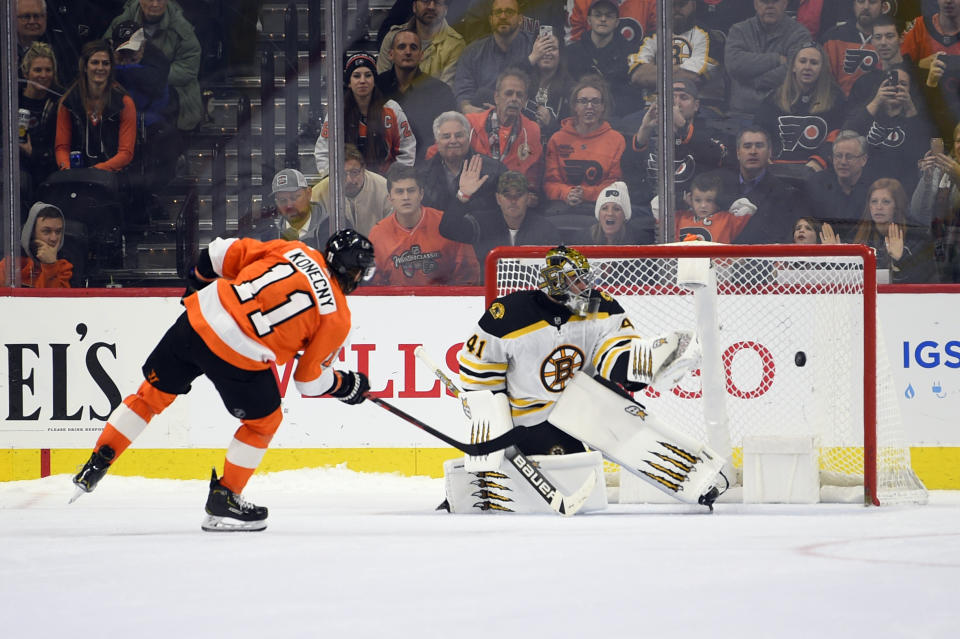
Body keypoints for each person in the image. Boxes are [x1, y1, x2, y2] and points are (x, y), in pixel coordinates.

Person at [72, 230, 377, 531]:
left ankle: (98, 460)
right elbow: (309, 382)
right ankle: (225, 497)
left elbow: (218, 253)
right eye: (360, 271)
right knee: (264, 422)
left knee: (150, 395)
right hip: (239, 353)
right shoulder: (337, 316)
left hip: (200, 317)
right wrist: (345, 384)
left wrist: (197, 281)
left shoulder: (295, 250)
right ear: (354, 270)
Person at [368, 164, 480, 286]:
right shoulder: (378, 233)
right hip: (398, 302)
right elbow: (375, 284)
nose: (406, 197)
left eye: (411, 191)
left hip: (443, 301)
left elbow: (468, 274)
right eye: (399, 192)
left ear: (421, 194)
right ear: (390, 197)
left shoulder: (448, 223)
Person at [104, 0, 203, 134]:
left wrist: (151, 75)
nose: (155, 4)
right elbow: (104, 56)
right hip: (127, 92)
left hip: (173, 94)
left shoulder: (182, 28)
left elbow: (188, 69)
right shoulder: (120, 24)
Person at [314, 53, 416, 178]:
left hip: (385, 184)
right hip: (347, 183)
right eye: (356, 76)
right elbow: (323, 151)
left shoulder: (392, 109)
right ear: (349, 82)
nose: (362, 80)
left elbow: (407, 148)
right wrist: (333, 178)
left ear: (374, 80)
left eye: (368, 75)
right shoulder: (337, 112)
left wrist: (397, 179)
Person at [630, 78, 728, 207]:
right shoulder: (651, 135)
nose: (676, 103)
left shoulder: (710, 133)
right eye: (671, 98)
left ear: (696, 105)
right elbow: (630, 173)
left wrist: (682, 126)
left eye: (684, 97)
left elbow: (718, 156)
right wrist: (644, 129)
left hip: (693, 210)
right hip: (650, 210)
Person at [438, 168, 562, 270]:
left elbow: (558, 268)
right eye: (507, 195)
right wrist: (463, 195)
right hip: (489, 294)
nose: (513, 200)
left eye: (518, 194)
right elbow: (448, 228)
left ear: (528, 198)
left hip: (533, 293)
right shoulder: (481, 223)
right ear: (498, 198)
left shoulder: (545, 229)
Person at [756, 43, 846, 173]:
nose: (807, 67)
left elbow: (838, 135)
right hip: (776, 169)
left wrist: (820, 161)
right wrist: (764, 158)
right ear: (793, 66)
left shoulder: (835, 100)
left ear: (822, 69)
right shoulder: (773, 99)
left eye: (814, 63)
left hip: (816, 171)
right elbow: (759, 132)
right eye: (802, 61)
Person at [543, 76, 625, 217]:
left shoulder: (616, 140)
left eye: (595, 102)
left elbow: (615, 184)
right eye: (583, 101)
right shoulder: (557, 139)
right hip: (563, 207)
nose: (589, 107)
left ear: (603, 106)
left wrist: (586, 194)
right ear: (575, 106)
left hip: (602, 208)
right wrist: (566, 193)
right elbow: (550, 183)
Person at [843, 67, 933, 193]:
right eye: (892, 83)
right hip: (865, 187)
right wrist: (877, 100)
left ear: (910, 90)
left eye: (903, 84)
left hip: (903, 188)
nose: (896, 88)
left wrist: (909, 107)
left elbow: (922, 150)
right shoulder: (868, 112)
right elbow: (846, 135)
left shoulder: (916, 117)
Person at [376, 28, 457, 164]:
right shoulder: (376, 87)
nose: (408, 52)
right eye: (402, 47)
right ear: (391, 54)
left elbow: (447, 133)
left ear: (421, 55)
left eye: (413, 48)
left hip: (427, 166)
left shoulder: (440, 91)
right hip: (382, 165)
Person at [55, 40, 136, 173]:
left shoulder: (124, 102)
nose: (100, 68)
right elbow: (62, 148)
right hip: (75, 174)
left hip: (113, 175)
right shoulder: (68, 102)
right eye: (94, 62)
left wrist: (95, 171)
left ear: (111, 68)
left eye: (105, 63)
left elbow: (126, 153)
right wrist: (67, 169)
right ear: (85, 67)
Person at [719, 125, 806, 244]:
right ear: (738, 153)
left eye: (759, 146)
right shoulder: (720, 190)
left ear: (769, 152)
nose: (753, 151)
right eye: (747, 146)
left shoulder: (787, 194)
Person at [464, 68, 544, 196]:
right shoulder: (469, 124)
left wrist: (530, 194)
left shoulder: (532, 130)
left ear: (524, 101)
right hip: (476, 197)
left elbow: (533, 173)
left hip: (512, 199)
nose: (514, 99)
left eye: (519, 95)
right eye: (508, 93)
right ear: (496, 97)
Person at [454, 0, 542, 113]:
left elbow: (543, 87)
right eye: (498, 12)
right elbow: (463, 92)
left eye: (509, 12)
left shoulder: (533, 48)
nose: (503, 16)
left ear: (520, 19)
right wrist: (467, 108)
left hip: (522, 117)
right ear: (490, 19)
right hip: (481, 119)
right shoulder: (472, 52)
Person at [724, 0, 812, 113]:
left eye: (775, 1)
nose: (770, 6)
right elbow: (734, 64)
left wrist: (756, 81)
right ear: (755, 4)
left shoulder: (800, 35)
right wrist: (776, 59)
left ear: (785, 3)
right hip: (741, 113)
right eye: (765, 1)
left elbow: (794, 71)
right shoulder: (739, 30)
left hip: (782, 114)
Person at [627, 0, 720, 106]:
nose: (676, 9)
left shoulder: (707, 36)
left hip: (697, 109)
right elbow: (638, 76)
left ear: (693, 5)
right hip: (652, 106)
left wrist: (652, 71)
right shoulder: (651, 36)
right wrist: (679, 70)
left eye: (682, 4)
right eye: (671, 5)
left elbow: (694, 78)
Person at [851, 177, 938, 282]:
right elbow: (849, 278)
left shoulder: (917, 238)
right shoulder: (859, 236)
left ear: (897, 206)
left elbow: (920, 284)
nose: (879, 207)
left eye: (886, 202)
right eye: (874, 201)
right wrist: (834, 259)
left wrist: (899, 260)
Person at [566, 0, 641, 121]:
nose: (603, 19)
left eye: (609, 15)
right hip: (580, 119)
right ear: (589, 20)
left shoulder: (631, 53)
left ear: (617, 22)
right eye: (598, 15)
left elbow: (632, 97)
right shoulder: (572, 52)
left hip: (618, 120)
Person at [418, 111, 505, 215]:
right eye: (446, 136)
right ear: (437, 141)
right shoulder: (421, 174)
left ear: (468, 138)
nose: (453, 140)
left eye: (459, 135)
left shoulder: (495, 170)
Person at [801, 130, 876, 240]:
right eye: (838, 156)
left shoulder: (875, 188)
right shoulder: (817, 183)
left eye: (849, 157)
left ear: (863, 160)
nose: (843, 162)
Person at [910, 122, 960, 282]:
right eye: (959, 141)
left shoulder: (952, 170)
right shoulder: (944, 169)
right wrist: (928, 177)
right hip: (939, 256)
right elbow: (918, 213)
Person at [376, 0, 466, 86]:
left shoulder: (455, 44)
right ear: (414, 6)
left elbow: (443, 93)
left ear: (445, 10)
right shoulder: (392, 37)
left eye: (437, 2)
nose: (431, 7)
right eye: (425, 1)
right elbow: (382, 85)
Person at [311, 144, 392, 237]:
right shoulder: (318, 194)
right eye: (342, 174)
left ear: (364, 169)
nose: (349, 180)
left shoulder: (384, 189)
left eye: (354, 172)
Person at [19, 41, 62, 195]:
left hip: (48, 170)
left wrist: (33, 152)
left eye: (48, 70)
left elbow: (61, 148)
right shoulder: (12, 99)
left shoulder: (59, 103)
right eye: (37, 70)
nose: (43, 75)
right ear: (26, 73)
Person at [820, 0, 887, 97]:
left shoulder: (891, 40)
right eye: (860, 1)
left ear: (883, 7)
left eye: (872, 2)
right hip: (838, 106)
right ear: (853, 5)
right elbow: (824, 84)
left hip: (878, 107)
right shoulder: (832, 37)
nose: (866, 7)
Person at [0, 201, 72, 288]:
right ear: (32, 233)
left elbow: (55, 300)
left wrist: (50, 265)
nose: (54, 238)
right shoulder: (10, 264)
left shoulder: (65, 267)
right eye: (46, 231)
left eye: (58, 232)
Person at [575, 180, 655, 245]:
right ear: (598, 214)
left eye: (616, 209)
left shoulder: (641, 241)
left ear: (625, 215)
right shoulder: (581, 240)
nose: (610, 213)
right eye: (604, 208)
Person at [268, 168, 328, 249]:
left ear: (309, 193)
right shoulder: (271, 238)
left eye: (294, 198)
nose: (289, 205)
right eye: (282, 200)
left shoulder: (333, 226)